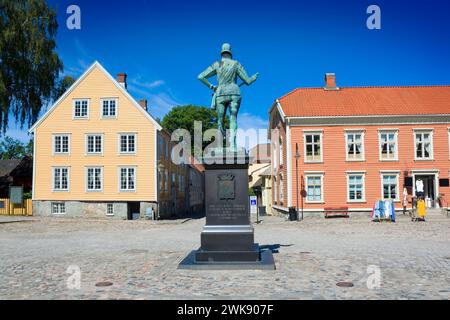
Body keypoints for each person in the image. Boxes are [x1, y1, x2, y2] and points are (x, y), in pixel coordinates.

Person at [198, 43, 258, 150]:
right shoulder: (236, 64)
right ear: (230, 52)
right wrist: (253, 78)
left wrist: (212, 87)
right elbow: (247, 81)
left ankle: (220, 146)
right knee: (233, 118)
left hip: (220, 93)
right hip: (234, 92)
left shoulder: (217, 64)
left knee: (220, 120)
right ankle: (233, 146)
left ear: (222, 52)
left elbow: (200, 77)